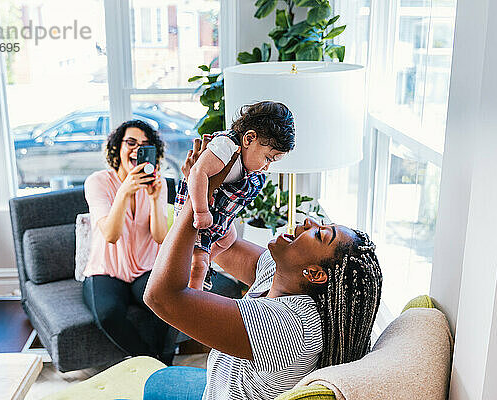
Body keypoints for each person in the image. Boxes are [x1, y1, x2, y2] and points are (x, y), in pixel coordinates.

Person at [143, 136, 383, 400]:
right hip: (215, 384)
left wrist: (196, 195)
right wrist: (210, 187)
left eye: (319, 235)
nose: (308, 222)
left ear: (315, 273)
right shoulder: (287, 273)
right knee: (158, 380)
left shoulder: (291, 327)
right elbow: (226, 245)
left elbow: (162, 297)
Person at [176, 101, 295, 290]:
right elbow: (197, 172)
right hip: (201, 206)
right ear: (249, 139)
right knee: (198, 264)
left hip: (218, 214)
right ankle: (194, 291)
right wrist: (201, 212)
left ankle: (207, 257)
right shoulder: (226, 145)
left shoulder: (247, 163)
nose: (266, 166)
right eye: (267, 158)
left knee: (228, 238)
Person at [82, 119, 175, 364]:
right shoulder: (98, 182)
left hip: (144, 266)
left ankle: (165, 363)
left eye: (145, 145)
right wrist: (124, 191)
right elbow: (111, 235)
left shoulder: (158, 182)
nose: (136, 149)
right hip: (106, 269)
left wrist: (155, 199)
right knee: (108, 313)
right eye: (130, 143)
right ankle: (149, 361)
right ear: (117, 148)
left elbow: (159, 237)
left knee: (167, 305)